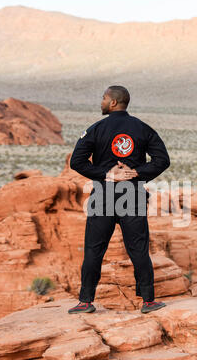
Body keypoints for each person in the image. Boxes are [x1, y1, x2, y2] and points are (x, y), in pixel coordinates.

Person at [68, 85, 170, 314]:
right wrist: (137, 173)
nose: (101, 101)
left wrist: (106, 175)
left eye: (104, 98)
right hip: (132, 195)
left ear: (113, 102)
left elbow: (77, 161)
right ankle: (148, 301)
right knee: (139, 250)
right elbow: (162, 160)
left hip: (103, 195)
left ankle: (85, 302)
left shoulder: (96, 129)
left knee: (94, 250)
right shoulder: (142, 129)